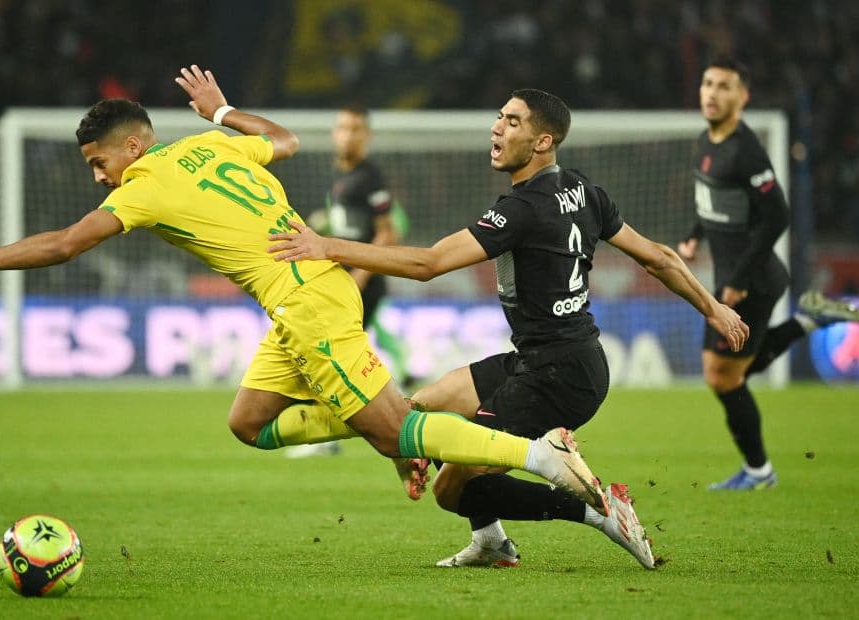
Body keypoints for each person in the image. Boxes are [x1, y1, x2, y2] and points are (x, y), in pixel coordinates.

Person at [0, 65, 613, 514]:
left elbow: (66, 243)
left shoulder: (144, 184)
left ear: (133, 147)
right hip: (303, 293)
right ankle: (390, 419)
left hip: (307, 297)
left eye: (99, 163)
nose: (99, 177)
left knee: (398, 430)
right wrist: (221, 112)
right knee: (250, 423)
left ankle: (538, 456)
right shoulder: (210, 144)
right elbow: (284, 139)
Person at [268, 88, 750, 569]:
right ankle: (492, 542)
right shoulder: (584, 191)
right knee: (424, 408)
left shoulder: (522, 210)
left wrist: (328, 246)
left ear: (543, 142)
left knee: (450, 490)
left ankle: (601, 513)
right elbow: (659, 257)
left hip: (558, 377)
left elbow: (427, 264)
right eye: (500, 116)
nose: (497, 127)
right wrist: (713, 309)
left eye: (513, 122)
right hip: (551, 359)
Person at [678, 58, 859, 491]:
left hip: (754, 281)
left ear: (742, 97)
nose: (712, 93)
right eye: (708, 83)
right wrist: (694, 236)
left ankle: (760, 472)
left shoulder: (745, 151)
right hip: (733, 277)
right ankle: (807, 320)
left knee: (724, 376)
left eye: (724, 86)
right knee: (726, 372)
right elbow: (712, 201)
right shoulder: (706, 141)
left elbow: (777, 215)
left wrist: (740, 279)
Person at [286, 104, 408, 458]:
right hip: (345, 280)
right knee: (334, 354)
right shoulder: (340, 177)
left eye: (355, 129)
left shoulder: (371, 177)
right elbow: (349, 226)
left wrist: (359, 277)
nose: (347, 135)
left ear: (366, 136)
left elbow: (388, 233)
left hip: (362, 282)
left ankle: (348, 431)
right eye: (342, 128)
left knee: (328, 353)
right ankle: (393, 416)